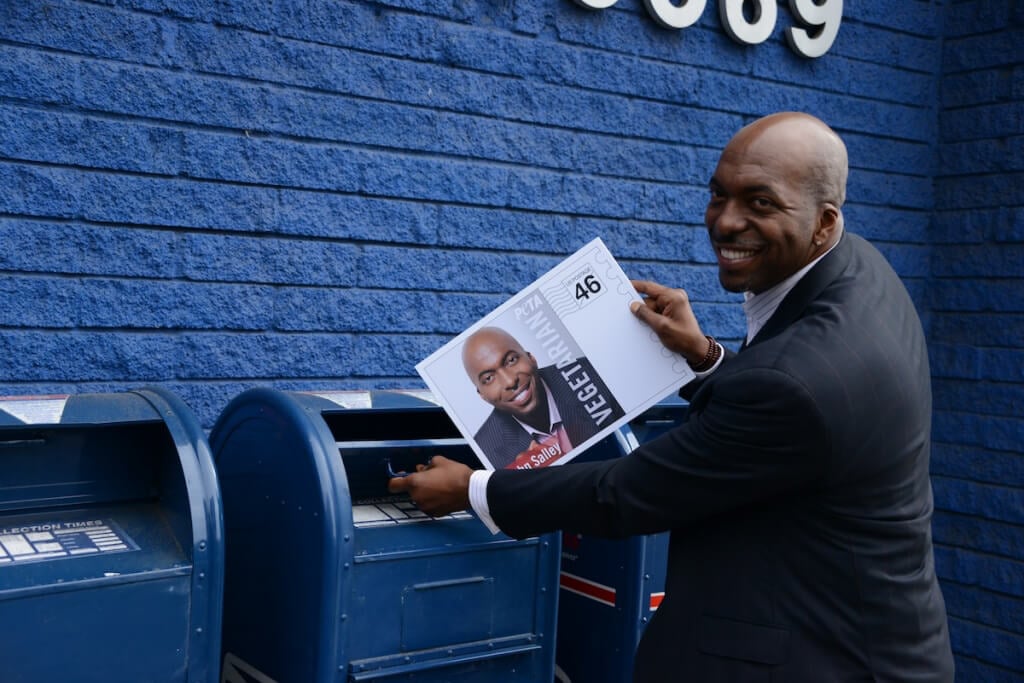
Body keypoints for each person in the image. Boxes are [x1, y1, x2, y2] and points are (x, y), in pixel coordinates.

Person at [390, 112, 954, 681]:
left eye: (761, 203)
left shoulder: (797, 380)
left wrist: (473, 490)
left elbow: (628, 492)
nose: (726, 222)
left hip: (821, 657)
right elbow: (789, 421)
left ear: (823, 223)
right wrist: (705, 356)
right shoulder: (858, 270)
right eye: (718, 194)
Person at [462, 326, 624, 469]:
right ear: (482, 395)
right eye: (489, 378)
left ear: (531, 358)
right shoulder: (486, 451)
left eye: (511, 360)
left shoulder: (596, 376)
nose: (510, 381)